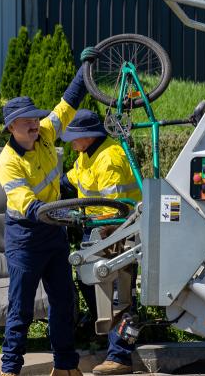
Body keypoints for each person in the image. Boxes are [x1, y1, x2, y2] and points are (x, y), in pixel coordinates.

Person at [0, 50, 95, 376]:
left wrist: (86, 67)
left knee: (65, 304)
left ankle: (66, 367)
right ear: (12, 127)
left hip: (54, 234)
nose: (34, 124)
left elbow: (68, 103)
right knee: (21, 309)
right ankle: (10, 369)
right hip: (25, 237)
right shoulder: (7, 162)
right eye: (27, 121)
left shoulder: (46, 133)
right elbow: (28, 204)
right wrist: (63, 215)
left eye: (35, 118)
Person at [59, 109, 141, 376]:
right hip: (95, 231)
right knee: (88, 281)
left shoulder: (109, 158)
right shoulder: (87, 155)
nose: (70, 141)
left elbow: (115, 209)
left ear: (88, 136)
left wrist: (100, 236)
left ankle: (120, 356)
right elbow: (72, 181)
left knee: (117, 292)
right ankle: (106, 332)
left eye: (74, 137)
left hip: (117, 233)